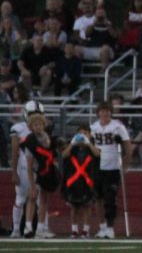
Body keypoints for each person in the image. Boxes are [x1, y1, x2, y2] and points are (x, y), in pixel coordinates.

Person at [90, 100, 132, 239]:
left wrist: (125, 165)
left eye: (107, 111)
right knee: (98, 198)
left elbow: (127, 146)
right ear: (98, 113)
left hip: (113, 166)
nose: (105, 113)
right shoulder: (94, 127)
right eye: (102, 111)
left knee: (110, 198)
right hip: (97, 166)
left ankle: (110, 226)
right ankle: (101, 226)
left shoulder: (117, 126)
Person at [21, 108, 60, 237]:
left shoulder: (46, 137)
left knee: (44, 199)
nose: (38, 127)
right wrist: (32, 184)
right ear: (31, 126)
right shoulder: (30, 140)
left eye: (40, 124)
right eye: (35, 124)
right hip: (34, 171)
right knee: (32, 196)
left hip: (45, 171)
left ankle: (41, 227)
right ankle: (28, 226)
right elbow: (29, 164)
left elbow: (50, 150)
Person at [9, 100, 41, 237]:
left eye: (38, 113)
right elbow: (15, 152)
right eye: (33, 113)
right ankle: (16, 229)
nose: (36, 116)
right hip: (23, 169)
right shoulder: (19, 128)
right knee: (20, 199)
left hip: (39, 169)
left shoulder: (43, 128)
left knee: (40, 201)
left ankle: (40, 228)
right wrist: (14, 172)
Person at [63, 123, 100, 238]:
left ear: (90, 135)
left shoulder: (91, 147)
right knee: (74, 207)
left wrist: (88, 143)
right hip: (74, 182)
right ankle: (74, 230)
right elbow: (64, 155)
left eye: (85, 133)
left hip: (87, 182)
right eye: (80, 133)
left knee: (86, 206)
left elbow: (98, 154)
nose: (82, 135)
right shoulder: (73, 148)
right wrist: (72, 143)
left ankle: (85, 230)